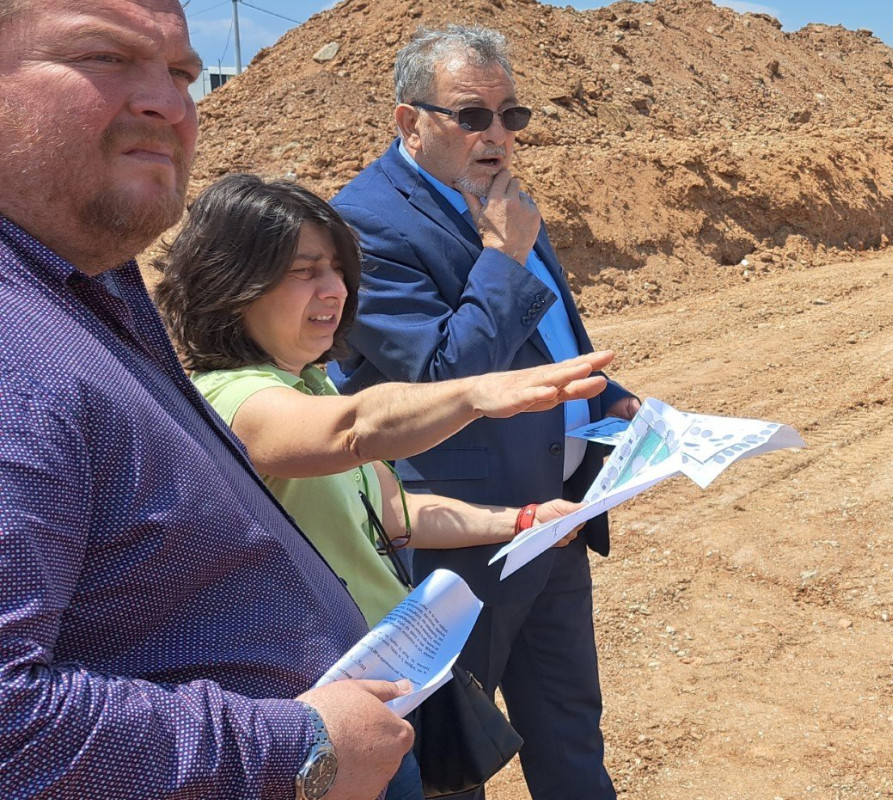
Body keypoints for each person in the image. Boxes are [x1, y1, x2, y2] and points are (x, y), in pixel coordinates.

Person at [0, 1, 406, 798]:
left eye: (184, 73)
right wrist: (298, 747)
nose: (170, 101)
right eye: (104, 56)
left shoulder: (84, 285)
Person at [154, 173, 613, 798]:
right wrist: (475, 394)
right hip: (324, 712)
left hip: (381, 693)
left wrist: (521, 522)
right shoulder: (233, 399)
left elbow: (394, 515)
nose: (334, 290)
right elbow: (355, 428)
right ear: (236, 284)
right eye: (304, 271)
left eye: (338, 270)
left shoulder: (307, 383)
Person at [331, 24, 639, 800]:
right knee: (454, 758)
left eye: (512, 116)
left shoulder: (502, 202)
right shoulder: (366, 223)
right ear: (410, 122)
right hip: (458, 545)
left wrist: (610, 399)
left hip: (555, 520)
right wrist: (502, 256)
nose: (497, 135)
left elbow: (547, 335)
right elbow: (442, 377)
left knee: (570, 732)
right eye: (473, 116)